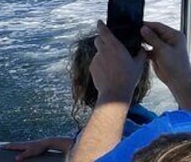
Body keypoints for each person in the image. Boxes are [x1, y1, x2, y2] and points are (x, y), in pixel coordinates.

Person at [2, 34, 155, 161]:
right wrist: (51, 142)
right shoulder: (153, 122)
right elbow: (104, 145)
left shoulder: (122, 127)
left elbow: (98, 152)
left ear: (78, 85)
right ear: (141, 81)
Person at [68, 21, 191, 162]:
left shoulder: (165, 130)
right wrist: (183, 83)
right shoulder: (167, 126)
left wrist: (113, 95)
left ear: (78, 84)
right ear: (143, 81)